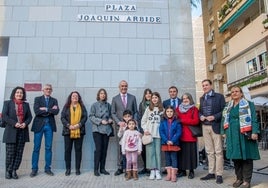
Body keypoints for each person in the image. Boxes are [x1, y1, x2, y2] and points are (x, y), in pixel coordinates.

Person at [221, 86, 260, 188]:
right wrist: (223, 131)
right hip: (232, 135)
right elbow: (223, 119)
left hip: (245, 134)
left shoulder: (249, 104)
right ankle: (239, 178)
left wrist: (255, 132)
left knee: (246, 157)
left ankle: (247, 181)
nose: (234, 93)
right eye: (232, 92)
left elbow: (254, 119)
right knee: (236, 158)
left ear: (241, 93)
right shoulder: (228, 106)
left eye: (236, 91)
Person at [2, 86, 33, 179]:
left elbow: (29, 117)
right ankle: (8, 171)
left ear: (23, 94)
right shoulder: (7, 103)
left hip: (22, 131)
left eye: (21, 93)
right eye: (17, 92)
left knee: (19, 153)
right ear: (14, 94)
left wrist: (25, 123)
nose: (19, 94)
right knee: (10, 153)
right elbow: (4, 116)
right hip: (11, 131)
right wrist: (15, 123)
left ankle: (15, 170)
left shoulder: (26, 105)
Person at [30, 84, 60, 177]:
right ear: (43, 90)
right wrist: (50, 109)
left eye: (50, 89)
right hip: (39, 125)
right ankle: (34, 169)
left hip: (49, 126)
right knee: (36, 148)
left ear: (51, 90)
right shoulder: (37, 99)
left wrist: (45, 109)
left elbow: (56, 112)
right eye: (46, 89)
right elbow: (37, 111)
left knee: (48, 148)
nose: (48, 90)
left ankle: (48, 168)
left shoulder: (54, 100)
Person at [199, 79, 225, 184]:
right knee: (209, 152)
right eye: (203, 85)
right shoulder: (201, 98)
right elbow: (200, 111)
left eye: (206, 85)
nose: (204, 87)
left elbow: (224, 110)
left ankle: (219, 174)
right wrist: (200, 116)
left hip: (215, 126)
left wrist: (214, 116)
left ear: (211, 85)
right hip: (205, 127)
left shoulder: (219, 96)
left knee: (218, 151)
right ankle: (211, 172)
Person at [111, 80, 138, 176]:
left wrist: (133, 123)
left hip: (131, 128)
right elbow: (113, 113)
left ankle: (129, 169)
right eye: (122, 86)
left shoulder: (132, 98)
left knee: (131, 147)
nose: (124, 87)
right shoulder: (115, 98)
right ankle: (120, 167)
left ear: (127, 87)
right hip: (120, 128)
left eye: (125, 86)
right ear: (119, 87)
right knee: (120, 147)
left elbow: (135, 111)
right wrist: (119, 122)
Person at [61, 91, 88, 176]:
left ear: (78, 98)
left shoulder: (82, 107)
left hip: (79, 131)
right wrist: (69, 125)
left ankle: (77, 169)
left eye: (76, 96)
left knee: (78, 150)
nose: (75, 97)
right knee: (67, 150)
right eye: (73, 96)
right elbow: (62, 118)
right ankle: (68, 169)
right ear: (70, 97)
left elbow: (85, 117)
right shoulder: (66, 107)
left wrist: (79, 125)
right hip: (68, 131)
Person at [89, 88, 113, 176]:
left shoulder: (108, 105)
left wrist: (110, 119)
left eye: (104, 94)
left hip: (106, 130)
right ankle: (96, 169)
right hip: (97, 129)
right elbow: (91, 116)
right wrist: (100, 121)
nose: (103, 95)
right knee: (98, 149)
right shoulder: (94, 105)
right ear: (98, 95)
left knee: (104, 150)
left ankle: (102, 168)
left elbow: (111, 115)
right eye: (101, 93)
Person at [176, 93, 199, 179]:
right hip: (180, 134)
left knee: (191, 154)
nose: (185, 100)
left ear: (190, 99)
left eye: (187, 98)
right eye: (183, 98)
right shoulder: (178, 109)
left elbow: (196, 121)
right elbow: (176, 118)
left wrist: (182, 120)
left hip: (190, 135)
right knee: (181, 154)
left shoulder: (194, 109)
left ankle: (191, 171)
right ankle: (182, 171)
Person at [141, 92, 164, 180]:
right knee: (150, 153)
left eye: (156, 97)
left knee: (157, 153)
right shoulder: (148, 109)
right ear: (151, 99)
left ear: (159, 99)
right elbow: (143, 121)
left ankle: (157, 170)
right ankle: (152, 171)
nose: (154, 99)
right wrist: (145, 130)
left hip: (158, 135)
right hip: (149, 135)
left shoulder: (162, 109)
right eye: (153, 98)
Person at [159, 105, 181, 182]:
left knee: (174, 159)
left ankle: (173, 175)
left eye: (171, 111)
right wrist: (166, 140)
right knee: (167, 159)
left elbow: (178, 132)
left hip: (174, 143)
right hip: (165, 143)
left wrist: (173, 140)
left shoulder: (177, 121)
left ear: (174, 112)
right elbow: (161, 132)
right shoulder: (163, 121)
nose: (169, 113)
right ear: (165, 112)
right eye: (167, 111)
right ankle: (169, 174)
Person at [138, 88, 152, 175]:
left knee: (150, 149)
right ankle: (145, 167)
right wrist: (141, 129)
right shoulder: (142, 104)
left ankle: (151, 168)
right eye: (146, 94)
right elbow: (139, 117)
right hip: (144, 129)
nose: (148, 95)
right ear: (144, 95)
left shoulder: (154, 103)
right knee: (143, 149)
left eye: (149, 93)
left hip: (152, 129)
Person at [117, 109, 133, 176]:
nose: (127, 118)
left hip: (132, 145)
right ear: (123, 117)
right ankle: (126, 171)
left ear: (131, 117)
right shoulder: (123, 125)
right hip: (123, 145)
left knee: (131, 159)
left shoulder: (133, 124)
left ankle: (132, 170)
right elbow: (119, 135)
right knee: (125, 159)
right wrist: (121, 128)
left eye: (128, 116)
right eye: (125, 117)